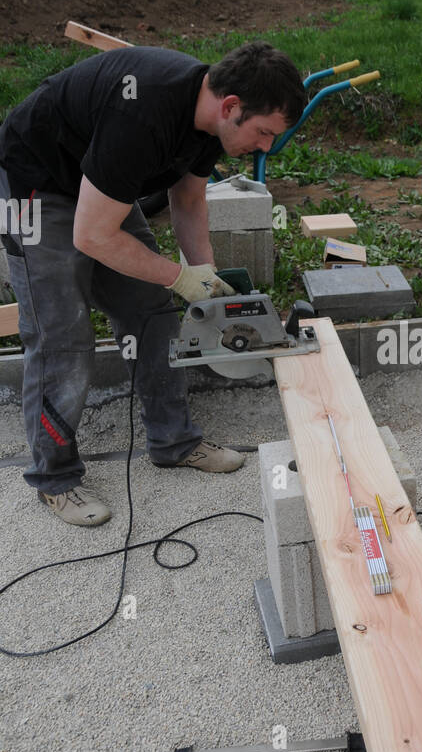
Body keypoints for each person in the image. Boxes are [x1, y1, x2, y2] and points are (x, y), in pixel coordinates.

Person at [0, 38, 305, 527]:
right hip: (37, 184)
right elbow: (92, 235)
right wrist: (179, 276)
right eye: (265, 132)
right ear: (231, 106)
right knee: (62, 336)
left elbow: (188, 201)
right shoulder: (142, 117)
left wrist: (205, 281)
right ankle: (55, 478)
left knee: (152, 311)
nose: (266, 147)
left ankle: (174, 441)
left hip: (100, 186)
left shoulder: (210, 120)